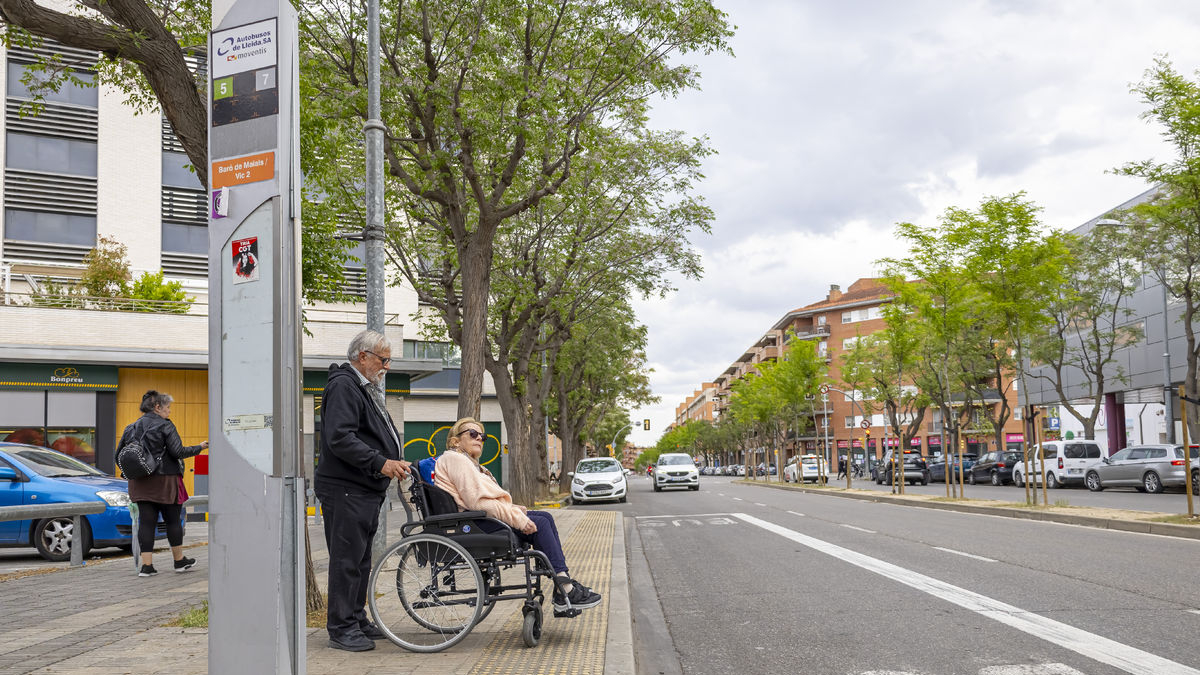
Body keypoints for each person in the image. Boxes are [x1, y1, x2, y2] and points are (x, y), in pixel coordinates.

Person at [435, 417, 602, 615]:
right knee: (539, 522)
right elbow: (477, 502)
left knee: (545, 517)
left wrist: (514, 509)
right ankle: (564, 588)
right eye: (473, 434)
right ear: (456, 441)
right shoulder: (455, 459)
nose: (479, 438)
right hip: (474, 522)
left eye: (483, 436)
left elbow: (486, 500)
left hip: (480, 519)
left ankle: (561, 584)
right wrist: (518, 519)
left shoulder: (468, 463)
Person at [314, 329, 411, 652]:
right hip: (346, 489)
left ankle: (355, 617)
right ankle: (341, 627)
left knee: (359, 558)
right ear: (363, 356)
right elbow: (340, 438)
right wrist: (380, 462)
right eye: (383, 360)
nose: (386, 366)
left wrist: (389, 460)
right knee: (347, 559)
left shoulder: (361, 387)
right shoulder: (344, 386)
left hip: (361, 488)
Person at [121, 390, 208, 577]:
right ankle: (179, 561)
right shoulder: (165, 425)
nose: (169, 411)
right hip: (165, 480)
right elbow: (178, 452)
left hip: (139, 482)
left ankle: (147, 566)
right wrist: (199, 447)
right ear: (157, 407)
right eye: (167, 407)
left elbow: (119, 456)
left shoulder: (131, 428)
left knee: (146, 522)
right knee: (172, 521)